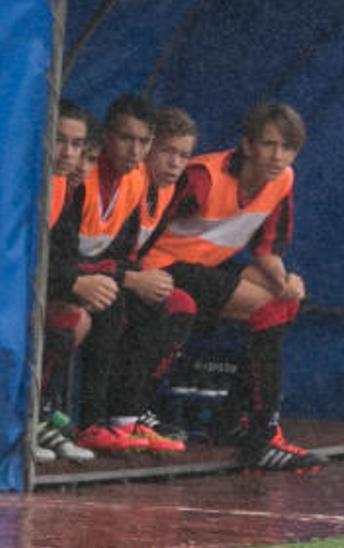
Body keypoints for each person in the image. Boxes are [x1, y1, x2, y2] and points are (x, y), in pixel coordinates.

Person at [140, 101, 327, 473]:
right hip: (161, 264)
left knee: (285, 300)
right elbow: (146, 220)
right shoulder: (202, 178)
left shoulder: (283, 180)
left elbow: (267, 250)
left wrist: (286, 280)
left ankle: (233, 420)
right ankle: (263, 435)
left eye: (287, 148)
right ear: (247, 145)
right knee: (268, 307)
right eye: (269, 145)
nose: (278, 156)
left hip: (206, 265)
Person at [71, 94, 186, 455]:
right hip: (63, 276)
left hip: (97, 273)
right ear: (106, 136)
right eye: (126, 139)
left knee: (162, 303)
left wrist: (130, 277)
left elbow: (119, 252)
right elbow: (58, 251)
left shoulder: (135, 180)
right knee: (111, 300)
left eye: (143, 141)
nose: (135, 151)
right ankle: (90, 422)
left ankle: (127, 417)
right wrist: (127, 278)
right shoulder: (82, 176)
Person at [115, 106, 202, 444]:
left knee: (181, 303)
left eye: (184, 155)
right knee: (153, 304)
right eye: (166, 151)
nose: (175, 163)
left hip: (127, 274)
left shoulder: (169, 191)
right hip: (107, 276)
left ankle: (140, 407)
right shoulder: (132, 183)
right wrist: (133, 278)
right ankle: (119, 412)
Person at [33, 100, 99, 464]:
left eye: (77, 144)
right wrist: (72, 282)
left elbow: (63, 255)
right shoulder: (22, 178)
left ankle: (41, 414)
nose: (68, 152)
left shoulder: (64, 188)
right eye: (60, 140)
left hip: (33, 290)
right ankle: (26, 419)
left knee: (79, 316)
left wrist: (76, 284)